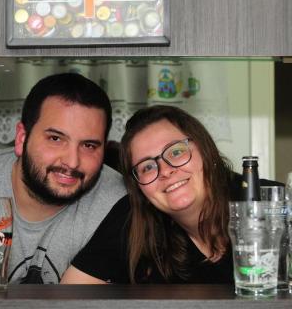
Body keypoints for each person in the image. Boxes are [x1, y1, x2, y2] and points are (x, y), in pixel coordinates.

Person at [61, 105, 237, 284]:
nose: (165, 171)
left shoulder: (261, 201)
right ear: (139, 188)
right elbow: (70, 293)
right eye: (147, 167)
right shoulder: (132, 217)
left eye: (176, 152)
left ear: (207, 151)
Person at [0, 73, 126, 284]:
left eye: (89, 145)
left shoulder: (119, 202)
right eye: (55, 138)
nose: (72, 162)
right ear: (21, 138)